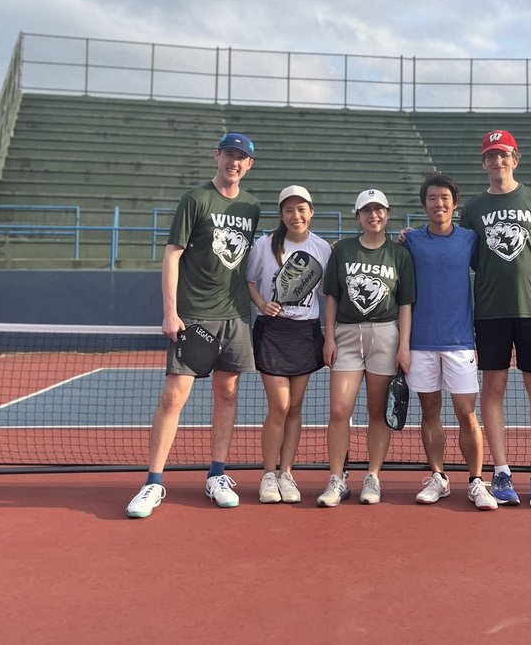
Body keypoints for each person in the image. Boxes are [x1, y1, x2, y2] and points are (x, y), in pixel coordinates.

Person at [126, 132, 262, 519]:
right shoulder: (195, 199)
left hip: (235, 316)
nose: (234, 162)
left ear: (249, 165)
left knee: (228, 393)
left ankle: (217, 474)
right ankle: (153, 482)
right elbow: (173, 255)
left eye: (242, 158)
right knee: (174, 397)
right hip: (195, 314)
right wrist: (171, 311)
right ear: (217, 156)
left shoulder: (252, 207)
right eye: (230, 154)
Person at [460, 130, 531, 509]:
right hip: (490, 311)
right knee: (493, 390)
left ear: (515, 159)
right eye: (490, 156)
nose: (497, 162)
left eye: (503, 155)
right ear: (484, 162)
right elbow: (465, 256)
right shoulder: (472, 209)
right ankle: (500, 472)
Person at [402, 173, 498, 511]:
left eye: (444, 197)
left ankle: (476, 481)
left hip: (460, 342)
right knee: (429, 410)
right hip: (421, 342)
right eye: (431, 198)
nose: (438, 203)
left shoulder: (470, 239)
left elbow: (499, 264)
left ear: (454, 204)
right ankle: (438, 477)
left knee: (466, 413)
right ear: (424, 204)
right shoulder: (411, 240)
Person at [317, 188, 416, 507]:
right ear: (357, 216)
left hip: (385, 335)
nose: (374, 216)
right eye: (367, 211)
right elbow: (331, 295)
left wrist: (404, 346)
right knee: (339, 411)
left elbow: (405, 303)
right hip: (347, 334)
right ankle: (337, 478)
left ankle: (373, 476)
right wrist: (329, 336)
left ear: (387, 214)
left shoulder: (400, 254)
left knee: (378, 412)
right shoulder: (343, 250)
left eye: (379, 210)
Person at [245, 185, 332, 504]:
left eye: (301, 209)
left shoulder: (323, 248)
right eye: (289, 210)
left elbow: (326, 293)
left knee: (296, 408)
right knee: (279, 406)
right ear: (281, 214)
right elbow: (250, 281)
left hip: (305, 333)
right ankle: (269, 474)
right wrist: (261, 303)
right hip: (272, 331)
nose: (296, 216)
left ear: (311, 212)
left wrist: (330, 335)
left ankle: (287, 474)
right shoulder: (264, 245)